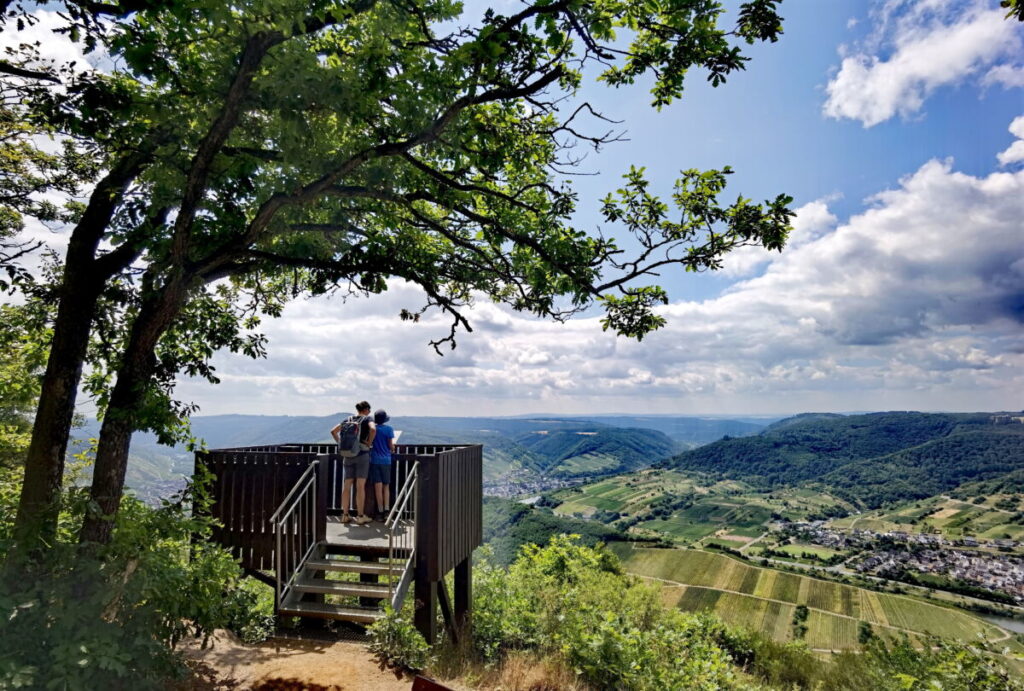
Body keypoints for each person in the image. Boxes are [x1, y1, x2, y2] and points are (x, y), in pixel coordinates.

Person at [331, 401, 375, 525]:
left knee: (347, 486)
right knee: (360, 486)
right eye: (369, 410)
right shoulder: (368, 419)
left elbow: (333, 431)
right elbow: (373, 430)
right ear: (366, 409)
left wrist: (340, 444)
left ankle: (345, 515)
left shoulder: (347, 419)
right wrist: (369, 443)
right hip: (362, 455)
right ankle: (360, 516)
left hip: (347, 454)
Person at [369, 409, 396, 521]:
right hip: (386, 461)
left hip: (375, 460)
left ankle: (379, 512)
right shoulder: (389, 429)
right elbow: (391, 446)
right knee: (386, 487)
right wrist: (393, 449)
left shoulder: (373, 430)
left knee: (377, 487)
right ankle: (386, 511)